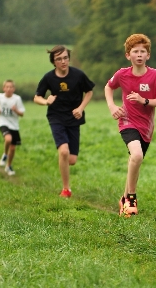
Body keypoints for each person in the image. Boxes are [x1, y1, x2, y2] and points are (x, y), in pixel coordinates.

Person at [104, 34, 156, 217]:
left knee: (135, 162)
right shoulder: (122, 74)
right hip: (127, 122)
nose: (139, 55)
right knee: (136, 155)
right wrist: (112, 106)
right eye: (135, 51)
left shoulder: (155, 75)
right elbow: (108, 87)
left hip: (146, 127)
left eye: (142, 51)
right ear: (128, 55)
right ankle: (131, 198)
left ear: (148, 55)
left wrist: (143, 100)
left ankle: (124, 201)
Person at [34, 45, 95, 198]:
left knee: (72, 160)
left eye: (65, 58)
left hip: (74, 118)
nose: (63, 61)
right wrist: (46, 102)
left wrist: (81, 108)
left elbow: (89, 91)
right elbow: (37, 97)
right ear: (53, 62)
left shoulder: (78, 75)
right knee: (64, 152)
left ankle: (63, 163)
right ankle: (66, 189)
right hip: (56, 117)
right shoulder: (48, 78)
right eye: (59, 59)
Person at [0, 80, 25, 176]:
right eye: (7, 87)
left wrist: (16, 110)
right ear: (3, 88)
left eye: (11, 87)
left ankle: (9, 165)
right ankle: (5, 155)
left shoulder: (17, 99)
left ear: (14, 89)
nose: (9, 89)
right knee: (8, 139)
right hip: (3, 122)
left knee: (13, 148)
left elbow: (22, 114)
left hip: (14, 125)